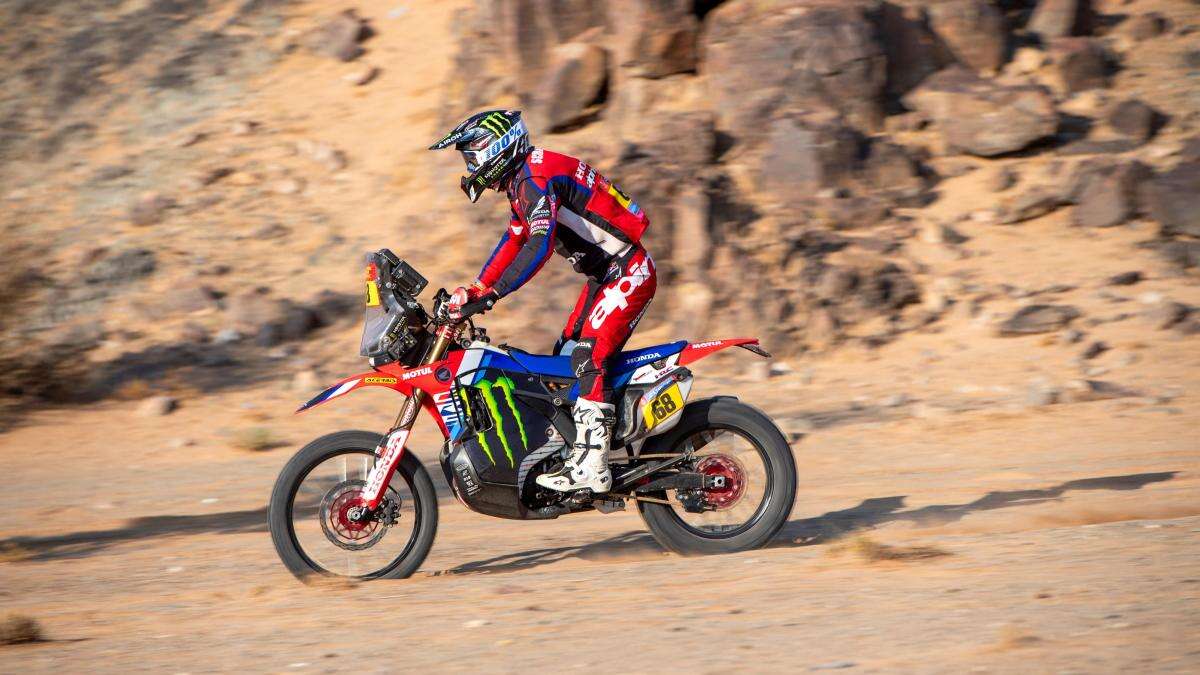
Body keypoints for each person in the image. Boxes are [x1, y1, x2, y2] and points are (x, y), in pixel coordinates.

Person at [429, 109, 656, 494]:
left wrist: (496, 293)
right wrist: (478, 286)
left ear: (495, 147)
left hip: (628, 270)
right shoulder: (524, 180)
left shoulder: (534, 179)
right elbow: (515, 238)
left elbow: (540, 242)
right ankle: (588, 442)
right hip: (608, 275)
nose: (469, 165)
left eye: (472, 155)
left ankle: (593, 465)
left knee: (587, 357)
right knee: (564, 360)